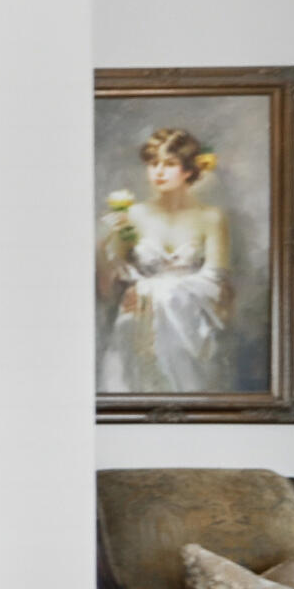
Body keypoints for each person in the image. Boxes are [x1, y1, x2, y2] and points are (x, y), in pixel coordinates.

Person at [98, 125, 232, 393]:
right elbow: (109, 284)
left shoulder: (211, 217)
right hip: (137, 327)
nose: (158, 172)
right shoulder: (132, 216)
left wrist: (156, 289)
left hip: (189, 326)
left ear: (189, 170)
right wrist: (103, 244)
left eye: (169, 164)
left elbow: (216, 280)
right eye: (153, 163)